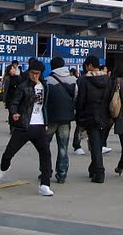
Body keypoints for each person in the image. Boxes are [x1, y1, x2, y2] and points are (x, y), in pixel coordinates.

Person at [0, 58, 54, 196]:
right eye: (32, 73)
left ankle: (45, 184)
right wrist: (14, 113)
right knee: (9, 152)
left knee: (45, 154)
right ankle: (4, 167)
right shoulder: (23, 86)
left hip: (40, 126)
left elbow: (45, 106)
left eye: (37, 73)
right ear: (28, 72)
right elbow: (14, 102)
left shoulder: (45, 86)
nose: (34, 76)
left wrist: (46, 123)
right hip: (24, 125)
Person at [75, 54, 112, 183]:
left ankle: (99, 172)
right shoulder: (108, 79)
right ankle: (93, 169)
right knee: (98, 143)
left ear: (90, 66)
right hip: (106, 116)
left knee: (95, 144)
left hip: (91, 116)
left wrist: (79, 117)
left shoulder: (84, 81)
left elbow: (80, 100)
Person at [44, 56, 76, 184]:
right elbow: (77, 98)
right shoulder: (74, 80)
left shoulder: (47, 80)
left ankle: (46, 172)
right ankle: (62, 174)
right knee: (63, 147)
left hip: (50, 119)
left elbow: (44, 101)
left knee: (44, 147)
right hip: (66, 119)